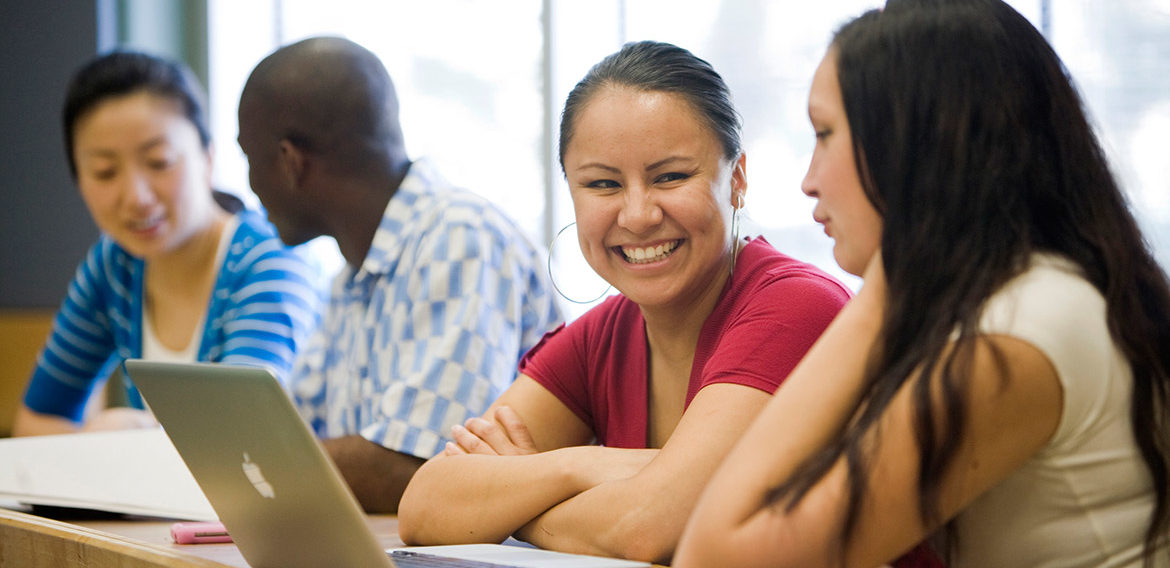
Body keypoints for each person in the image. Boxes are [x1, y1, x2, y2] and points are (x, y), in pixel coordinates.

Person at [674, 1, 1170, 566]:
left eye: (826, 133)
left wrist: (885, 291)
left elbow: (714, 554)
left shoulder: (1014, 337)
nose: (808, 181)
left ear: (916, 145)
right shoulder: (1036, 294)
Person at [396, 40, 852, 564]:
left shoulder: (796, 307)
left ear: (738, 180)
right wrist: (581, 468)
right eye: (603, 184)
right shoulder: (601, 334)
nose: (637, 215)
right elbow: (426, 506)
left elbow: (647, 528)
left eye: (671, 177)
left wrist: (514, 497)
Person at [235, 36, 563, 514]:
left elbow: (417, 472)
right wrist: (265, 456)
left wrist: (256, 461)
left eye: (249, 159)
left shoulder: (461, 237)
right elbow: (296, 433)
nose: (250, 186)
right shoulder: (351, 275)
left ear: (291, 162)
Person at [14, 51, 322, 437]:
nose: (136, 196)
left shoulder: (270, 262)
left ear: (208, 158)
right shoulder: (114, 264)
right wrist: (93, 445)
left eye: (159, 162)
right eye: (105, 172)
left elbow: (240, 442)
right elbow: (37, 421)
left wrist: (131, 438)